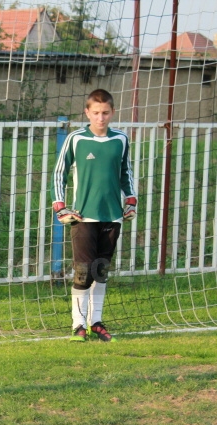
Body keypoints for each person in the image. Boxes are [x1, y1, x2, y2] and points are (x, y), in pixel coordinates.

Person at [51, 88, 137, 343]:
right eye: (96, 113)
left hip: (112, 215)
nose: (101, 118)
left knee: (100, 270)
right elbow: (59, 172)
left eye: (105, 113)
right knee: (83, 271)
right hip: (83, 216)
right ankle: (78, 325)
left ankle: (95, 322)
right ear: (87, 112)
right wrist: (60, 206)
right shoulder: (76, 139)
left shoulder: (120, 139)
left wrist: (131, 200)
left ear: (112, 112)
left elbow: (126, 172)